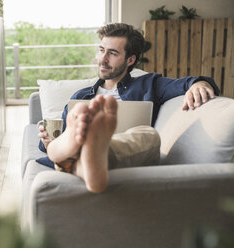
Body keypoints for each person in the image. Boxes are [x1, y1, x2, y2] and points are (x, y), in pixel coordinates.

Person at [37, 23, 220, 193]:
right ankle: (82, 152)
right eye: (102, 50)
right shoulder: (80, 98)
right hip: (83, 150)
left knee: (149, 135)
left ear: (130, 59)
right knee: (68, 136)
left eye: (113, 53)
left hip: (127, 151)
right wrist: (47, 142)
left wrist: (199, 84)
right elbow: (55, 137)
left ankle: (83, 154)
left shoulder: (150, 84)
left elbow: (188, 82)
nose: (103, 59)